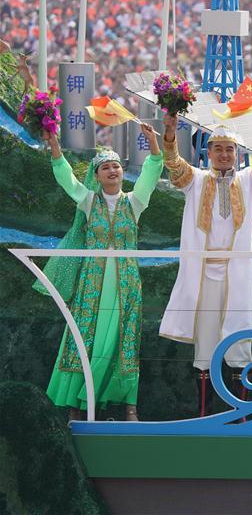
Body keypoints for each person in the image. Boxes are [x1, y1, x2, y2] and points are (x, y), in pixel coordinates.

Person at [159, 109, 252, 417]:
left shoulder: (249, 181)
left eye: (229, 149)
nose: (223, 154)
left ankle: (240, 415)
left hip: (238, 275)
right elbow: (174, 165)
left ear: (237, 154)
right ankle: (205, 417)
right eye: (217, 148)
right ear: (207, 152)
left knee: (239, 344)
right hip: (203, 275)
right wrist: (169, 134)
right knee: (204, 351)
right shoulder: (196, 180)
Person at [41, 123, 163, 421]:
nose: (112, 171)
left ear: (122, 173)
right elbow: (67, 180)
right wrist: (55, 147)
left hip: (126, 284)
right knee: (85, 337)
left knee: (124, 339)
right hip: (91, 284)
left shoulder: (135, 202)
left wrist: (153, 145)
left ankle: (129, 407)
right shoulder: (88, 201)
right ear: (96, 176)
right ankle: (75, 404)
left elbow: (151, 174)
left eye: (116, 167)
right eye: (105, 167)